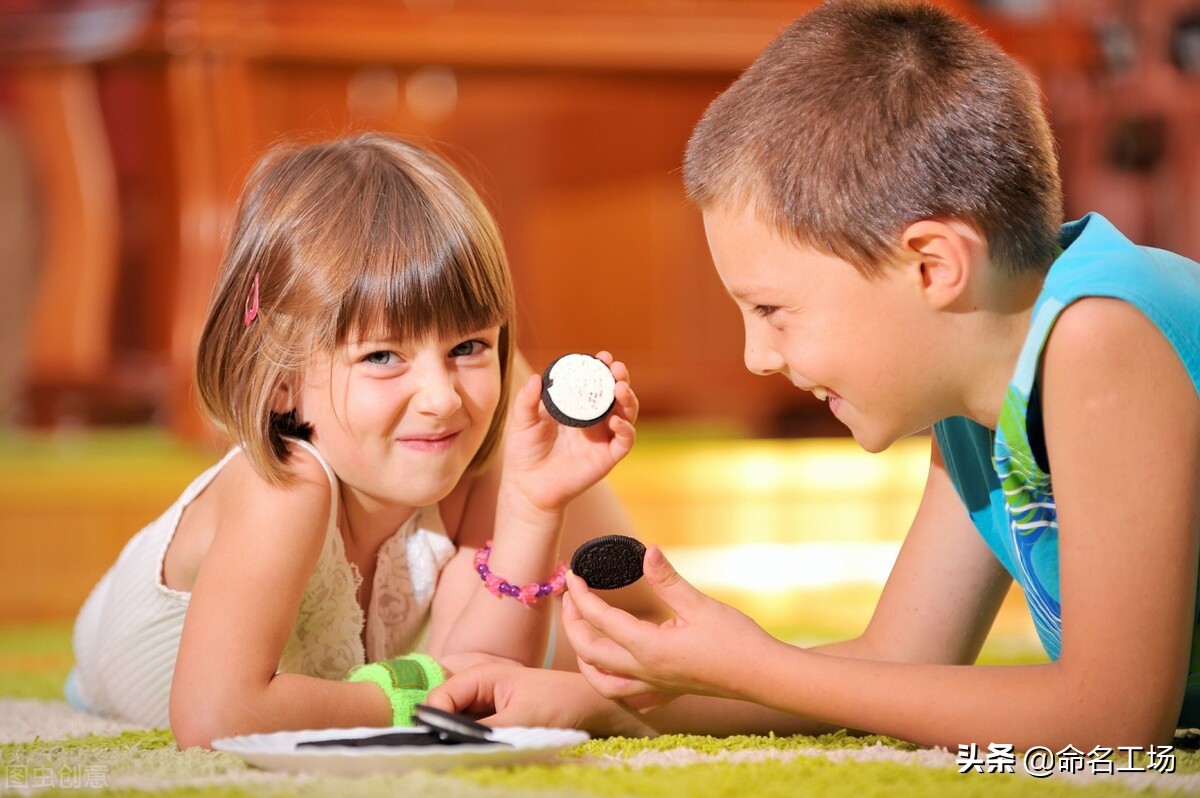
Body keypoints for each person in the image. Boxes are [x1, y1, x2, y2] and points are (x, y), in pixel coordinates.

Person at [428, 0, 1200, 750]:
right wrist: (594, 700)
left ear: (932, 266)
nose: (756, 357)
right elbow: (902, 662)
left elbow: (1112, 721)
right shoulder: (979, 394)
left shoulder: (1101, 333)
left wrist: (759, 667)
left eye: (772, 309)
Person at [66, 132, 640, 748]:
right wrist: (406, 694)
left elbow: (482, 679)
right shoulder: (285, 486)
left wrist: (533, 506)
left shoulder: (464, 466)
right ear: (283, 379)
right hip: (111, 670)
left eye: (468, 347)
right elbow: (214, 718)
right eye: (384, 355)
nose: (442, 398)